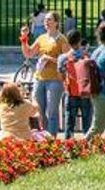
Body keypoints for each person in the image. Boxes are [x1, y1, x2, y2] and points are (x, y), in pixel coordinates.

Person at [20, 10, 69, 138]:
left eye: (49, 20)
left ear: (56, 23)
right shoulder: (41, 38)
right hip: (40, 78)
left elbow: (67, 60)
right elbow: (28, 53)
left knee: (51, 112)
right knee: (40, 111)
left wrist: (50, 59)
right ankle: (44, 138)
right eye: (45, 20)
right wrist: (24, 39)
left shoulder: (62, 39)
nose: (46, 22)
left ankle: (51, 139)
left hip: (55, 79)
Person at [57, 30, 92, 139]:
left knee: (69, 122)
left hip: (71, 92)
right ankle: (88, 145)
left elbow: (60, 76)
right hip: (85, 93)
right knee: (87, 121)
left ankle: (69, 144)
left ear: (68, 41)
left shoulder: (63, 58)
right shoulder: (87, 56)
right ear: (79, 40)